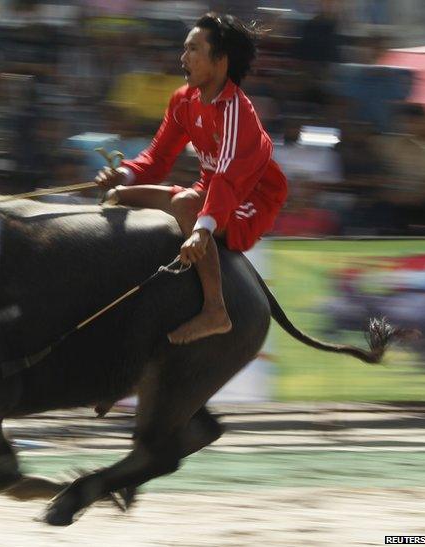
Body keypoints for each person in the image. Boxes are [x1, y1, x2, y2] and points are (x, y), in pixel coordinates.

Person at [95, 13, 288, 344]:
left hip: (249, 201)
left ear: (220, 60)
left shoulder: (237, 111)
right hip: (210, 192)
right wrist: (123, 175)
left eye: (193, 49)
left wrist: (201, 231)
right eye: (184, 49)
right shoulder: (183, 100)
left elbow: (227, 180)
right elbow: (157, 157)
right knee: (116, 197)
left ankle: (216, 310)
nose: (182, 58)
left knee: (185, 203)